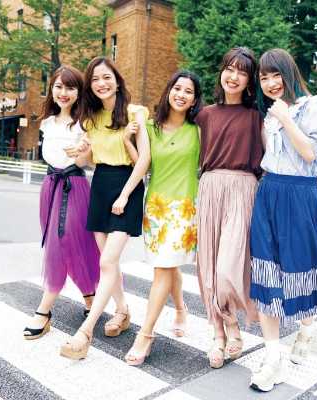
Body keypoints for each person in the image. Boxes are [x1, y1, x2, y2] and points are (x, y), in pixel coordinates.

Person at [248, 48, 317, 391]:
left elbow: (312, 154)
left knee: (300, 268)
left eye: (276, 75)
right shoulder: (268, 115)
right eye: (264, 77)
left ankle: (307, 327)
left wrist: (286, 119)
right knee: (266, 270)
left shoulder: (311, 106)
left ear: (289, 73)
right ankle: (273, 358)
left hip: (300, 195)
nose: (271, 83)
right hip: (269, 192)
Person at [60, 57, 150, 360]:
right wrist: (82, 152)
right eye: (95, 79)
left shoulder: (136, 113)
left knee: (108, 260)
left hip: (127, 186)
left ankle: (85, 331)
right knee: (107, 262)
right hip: (100, 185)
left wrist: (124, 196)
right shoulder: (91, 118)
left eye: (106, 77)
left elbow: (144, 161)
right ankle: (122, 311)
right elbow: (86, 162)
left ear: (117, 80)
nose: (101, 83)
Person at [124, 71, 203, 366]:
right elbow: (143, 164)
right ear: (168, 90)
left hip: (184, 209)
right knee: (167, 266)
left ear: (195, 99)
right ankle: (181, 309)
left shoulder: (198, 130)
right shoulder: (149, 126)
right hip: (156, 208)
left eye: (188, 91)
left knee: (163, 269)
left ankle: (145, 334)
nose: (181, 95)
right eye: (177, 88)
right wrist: (127, 141)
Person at [195, 47, 264, 369]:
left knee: (228, 268)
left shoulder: (256, 116)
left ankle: (233, 324)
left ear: (249, 81)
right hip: (210, 188)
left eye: (242, 72)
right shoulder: (204, 115)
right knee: (208, 268)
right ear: (221, 72)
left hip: (243, 188)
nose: (233, 77)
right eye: (229, 69)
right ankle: (219, 334)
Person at [23, 65, 100, 340]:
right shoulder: (47, 123)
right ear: (52, 89)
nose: (63, 92)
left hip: (74, 186)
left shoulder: (85, 123)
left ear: (79, 92)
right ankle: (91, 297)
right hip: (50, 186)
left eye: (70, 87)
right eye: (58, 86)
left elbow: (88, 162)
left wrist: (83, 151)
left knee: (62, 243)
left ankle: (43, 312)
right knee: (71, 245)